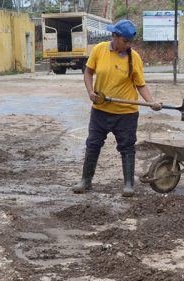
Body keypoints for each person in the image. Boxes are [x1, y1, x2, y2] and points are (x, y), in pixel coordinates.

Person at [73, 19, 162, 197]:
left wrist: (151, 102)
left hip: (126, 114)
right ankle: (86, 181)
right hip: (100, 110)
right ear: (115, 36)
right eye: (125, 41)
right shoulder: (99, 50)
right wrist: (90, 91)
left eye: (130, 42)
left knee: (127, 147)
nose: (128, 45)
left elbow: (140, 85)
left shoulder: (134, 57)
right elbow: (88, 72)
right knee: (93, 144)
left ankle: (128, 184)